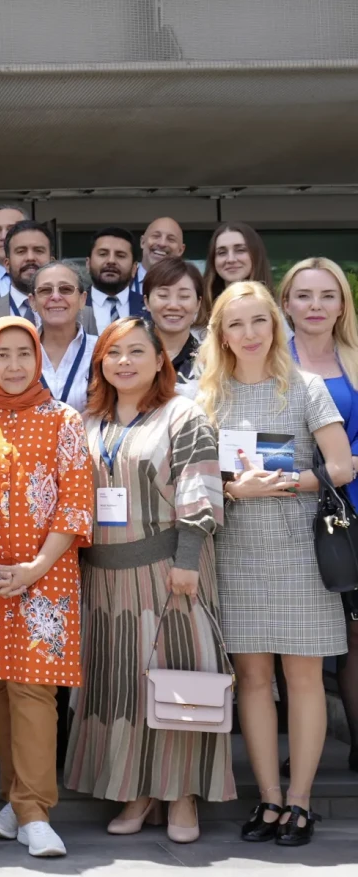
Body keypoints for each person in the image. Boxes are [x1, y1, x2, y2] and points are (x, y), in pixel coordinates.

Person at [64, 317, 234, 844]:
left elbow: (201, 488)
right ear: (101, 363)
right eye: (113, 353)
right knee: (122, 687)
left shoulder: (184, 414)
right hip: (102, 582)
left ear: (161, 359)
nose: (125, 362)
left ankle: (181, 795)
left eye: (138, 352)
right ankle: (136, 790)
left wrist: (187, 558)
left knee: (175, 683)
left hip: (169, 572)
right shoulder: (88, 421)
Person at [196, 281, 354, 847]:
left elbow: (342, 465)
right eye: (235, 324)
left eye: (258, 321)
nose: (248, 333)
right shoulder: (205, 396)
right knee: (254, 680)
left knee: (304, 677)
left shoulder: (307, 387)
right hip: (235, 551)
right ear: (221, 333)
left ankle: (301, 800)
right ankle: (267, 798)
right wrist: (236, 490)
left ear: (275, 325)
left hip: (299, 552)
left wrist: (281, 483)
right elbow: (189, 476)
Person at [0, 316, 93, 858]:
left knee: (35, 690)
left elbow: (76, 500)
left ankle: (35, 811)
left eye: (23, 354)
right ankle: (17, 801)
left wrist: (35, 567)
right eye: (2, 354)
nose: (14, 365)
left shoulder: (64, 420)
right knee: (1, 690)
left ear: (38, 358)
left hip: (46, 574)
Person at [278, 258, 358, 774]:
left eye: (327, 295)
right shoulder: (269, 359)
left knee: (356, 634)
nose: (315, 306)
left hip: (353, 514)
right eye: (304, 296)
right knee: (292, 638)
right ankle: (300, 750)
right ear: (285, 303)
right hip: (284, 511)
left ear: (342, 305)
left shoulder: (357, 358)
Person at [34, 261, 95, 413]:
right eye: (45, 290)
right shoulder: (18, 352)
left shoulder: (102, 350)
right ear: (32, 301)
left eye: (66, 289)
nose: (55, 296)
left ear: (82, 299)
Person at [0, 221, 52, 328]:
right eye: (21, 251)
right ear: (7, 264)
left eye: (38, 250)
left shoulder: (79, 313)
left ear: (52, 262)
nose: (30, 258)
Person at [143, 258, 207, 383]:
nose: (173, 305)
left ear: (198, 304)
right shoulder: (129, 357)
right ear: (147, 302)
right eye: (163, 295)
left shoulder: (210, 362)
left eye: (184, 296)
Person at [86, 227, 147, 334]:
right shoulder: (73, 306)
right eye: (103, 254)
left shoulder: (150, 308)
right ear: (88, 264)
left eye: (120, 255)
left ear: (134, 268)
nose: (111, 261)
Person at [203, 222, 271, 301]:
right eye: (222, 252)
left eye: (240, 250)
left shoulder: (277, 311)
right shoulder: (198, 309)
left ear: (256, 255)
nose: (230, 259)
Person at [135, 217, 186, 291]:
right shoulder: (122, 282)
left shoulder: (190, 286)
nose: (162, 244)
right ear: (142, 242)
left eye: (171, 239)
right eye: (156, 236)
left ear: (180, 250)